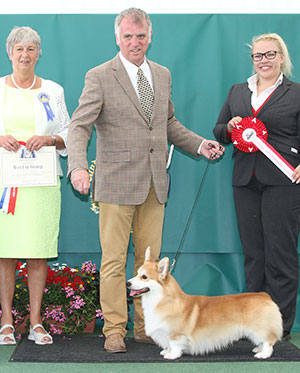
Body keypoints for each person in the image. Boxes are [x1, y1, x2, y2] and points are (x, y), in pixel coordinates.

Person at [67, 7, 224, 353]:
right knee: (113, 261)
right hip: (115, 184)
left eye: (140, 36)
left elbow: (168, 125)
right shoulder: (99, 75)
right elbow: (79, 126)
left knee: (149, 266)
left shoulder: (162, 75)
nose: (135, 42)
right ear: (117, 38)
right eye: (128, 36)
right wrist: (77, 166)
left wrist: (200, 144)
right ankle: (113, 330)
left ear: (150, 37)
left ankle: (144, 328)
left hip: (155, 185)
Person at [213, 33, 300, 341]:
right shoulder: (238, 91)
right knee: (254, 255)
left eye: (270, 54)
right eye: (258, 56)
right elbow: (219, 129)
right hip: (244, 181)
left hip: (283, 180)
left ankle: (279, 328)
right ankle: (253, 324)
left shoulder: (296, 93)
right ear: (253, 60)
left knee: (281, 255)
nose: (264, 60)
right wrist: (231, 127)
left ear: (282, 57)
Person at [0, 26, 69, 345]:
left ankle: (37, 322)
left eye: (31, 49)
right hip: (7, 187)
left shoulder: (53, 90)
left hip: (41, 184)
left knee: (39, 253)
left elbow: (70, 134)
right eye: (19, 49)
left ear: (39, 53)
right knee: (6, 253)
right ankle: (6, 321)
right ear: (9, 53)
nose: (25, 55)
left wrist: (51, 139)